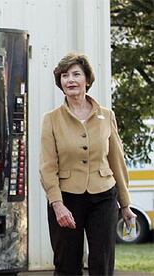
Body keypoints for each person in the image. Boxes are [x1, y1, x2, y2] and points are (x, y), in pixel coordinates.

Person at [39, 53, 136, 276]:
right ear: (60, 83)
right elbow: (47, 165)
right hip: (66, 198)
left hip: (103, 195)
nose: (70, 80)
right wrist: (57, 204)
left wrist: (125, 203)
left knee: (102, 263)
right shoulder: (51, 119)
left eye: (76, 74)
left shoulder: (106, 115)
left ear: (87, 80)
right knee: (67, 265)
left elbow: (116, 160)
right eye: (65, 76)